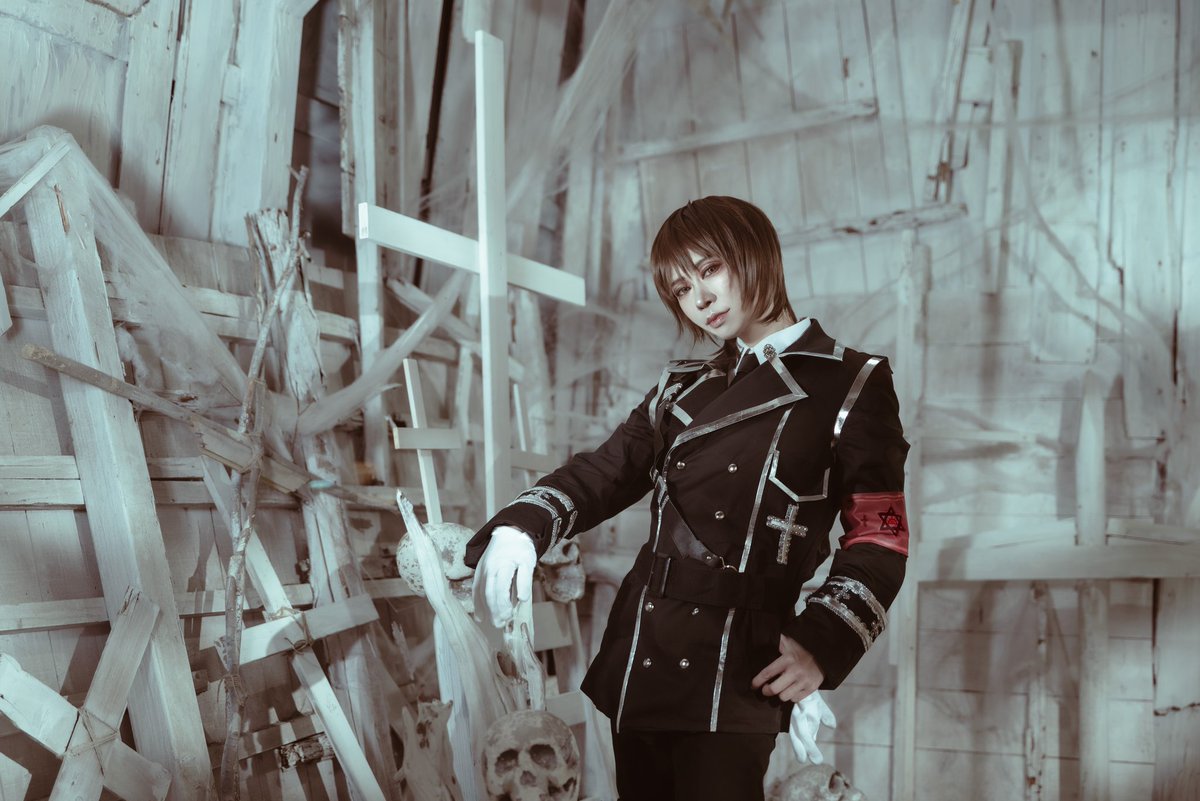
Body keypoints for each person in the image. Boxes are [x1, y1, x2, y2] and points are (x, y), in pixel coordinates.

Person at [464, 196, 910, 801]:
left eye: (710, 270)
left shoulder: (851, 382)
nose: (698, 298)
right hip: (645, 647)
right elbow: (606, 471)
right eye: (680, 289)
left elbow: (880, 535)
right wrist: (524, 527)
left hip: (739, 663)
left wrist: (821, 642)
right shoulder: (680, 389)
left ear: (757, 255)